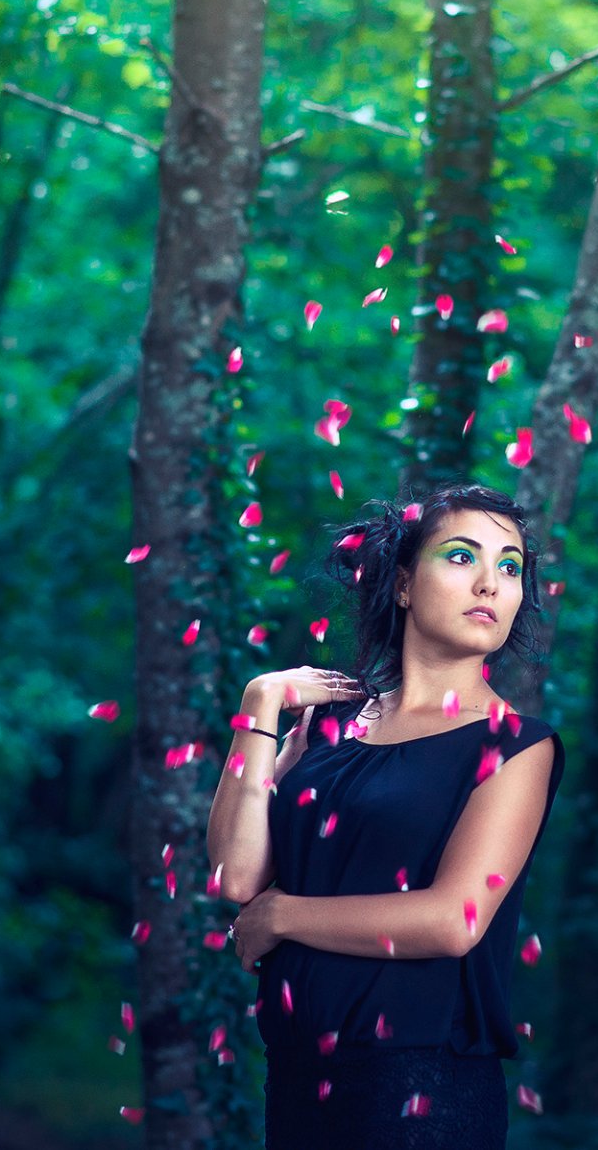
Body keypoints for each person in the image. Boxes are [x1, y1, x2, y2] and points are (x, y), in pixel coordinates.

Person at [205, 482, 567, 1149]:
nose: (490, 583)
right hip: (296, 1075)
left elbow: (454, 921)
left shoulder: (516, 745)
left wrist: (283, 916)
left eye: (510, 566)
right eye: (462, 557)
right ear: (403, 585)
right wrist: (258, 708)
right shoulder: (326, 727)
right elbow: (234, 876)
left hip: (421, 1087)